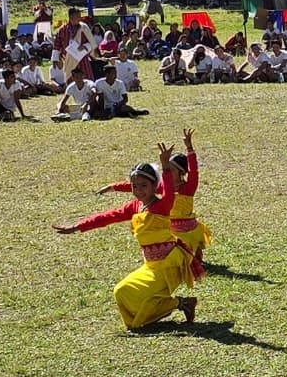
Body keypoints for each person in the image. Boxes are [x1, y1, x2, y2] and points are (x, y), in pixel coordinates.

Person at [53, 139, 203, 330]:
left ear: (154, 185)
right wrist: (76, 227)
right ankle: (182, 304)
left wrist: (166, 165)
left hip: (169, 265)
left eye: (143, 186)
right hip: (151, 266)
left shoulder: (161, 205)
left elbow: (169, 193)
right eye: (134, 186)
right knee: (121, 292)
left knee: (146, 296)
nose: (138, 190)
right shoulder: (135, 206)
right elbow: (107, 217)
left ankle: (179, 303)